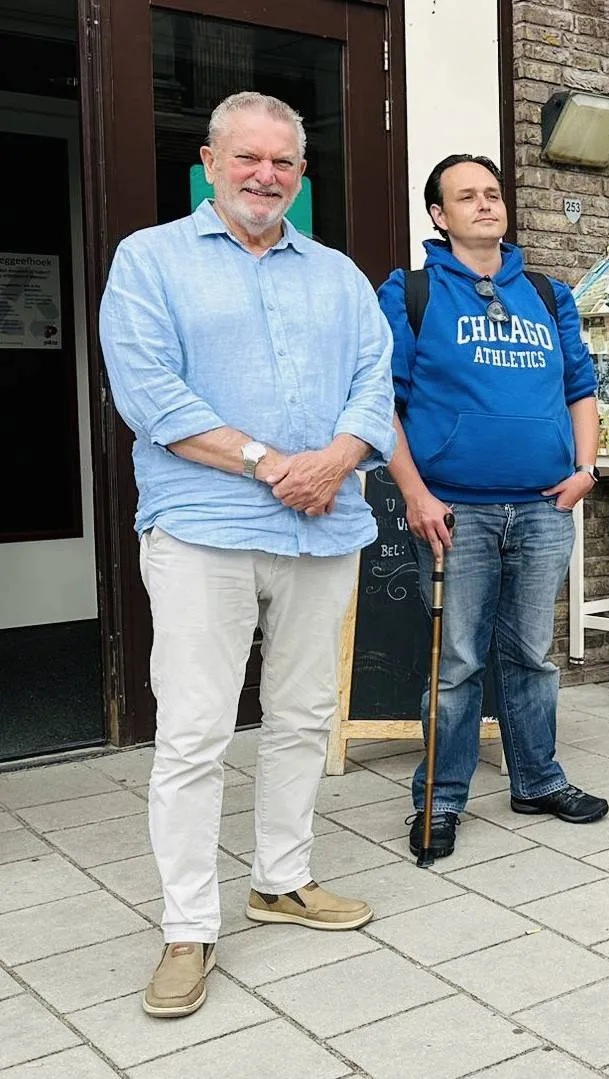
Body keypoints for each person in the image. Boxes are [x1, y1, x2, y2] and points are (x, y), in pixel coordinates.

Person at [99, 92, 392, 1018]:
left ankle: (281, 877)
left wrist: (340, 458)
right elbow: (150, 394)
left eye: (284, 163)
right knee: (193, 733)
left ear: (302, 174)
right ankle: (188, 927)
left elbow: (374, 380)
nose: (266, 176)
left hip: (324, 526)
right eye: (248, 159)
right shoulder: (149, 261)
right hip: (203, 531)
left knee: (304, 714)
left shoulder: (339, 275)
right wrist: (274, 463)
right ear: (210, 160)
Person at [376, 154, 607, 861]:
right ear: (439, 216)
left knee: (532, 655)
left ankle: (537, 778)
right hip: (457, 512)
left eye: (493, 193)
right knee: (457, 663)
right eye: (466, 197)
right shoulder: (410, 291)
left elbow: (581, 387)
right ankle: (440, 797)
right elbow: (381, 399)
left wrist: (586, 470)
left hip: (542, 507)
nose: (485, 204)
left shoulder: (545, 291)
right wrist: (414, 493)